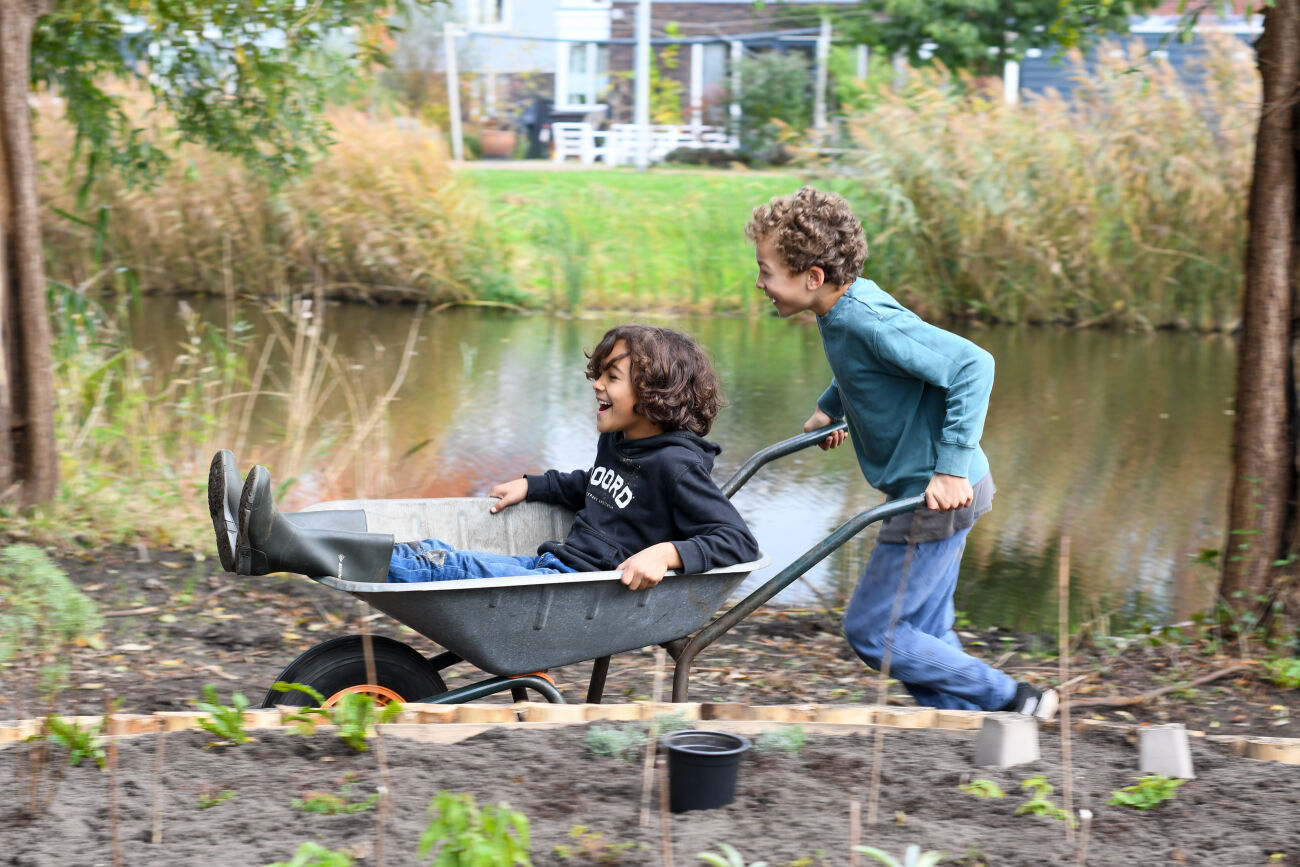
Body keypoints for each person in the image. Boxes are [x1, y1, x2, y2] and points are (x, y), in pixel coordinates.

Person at [745, 186, 1057, 719]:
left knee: (875, 632)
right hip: (938, 490)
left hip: (932, 495)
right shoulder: (840, 311)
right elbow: (870, 372)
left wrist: (950, 469)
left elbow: (973, 366)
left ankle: (1014, 699)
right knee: (925, 636)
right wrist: (829, 408)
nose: (759, 283)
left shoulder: (866, 318)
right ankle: (968, 729)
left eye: (766, 271)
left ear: (812, 276)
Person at [207, 324, 761, 590]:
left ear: (656, 393)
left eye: (612, 377)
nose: (596, 383)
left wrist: (665, 554)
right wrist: (534, 485)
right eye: (599, 373)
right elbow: (593, 485)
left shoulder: (675, 466)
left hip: (573, 585)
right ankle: (262, 535)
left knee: (438, 562)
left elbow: (736, 540)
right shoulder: (622, 444)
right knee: (434, 556)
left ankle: (276, 542)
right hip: (554, 572)